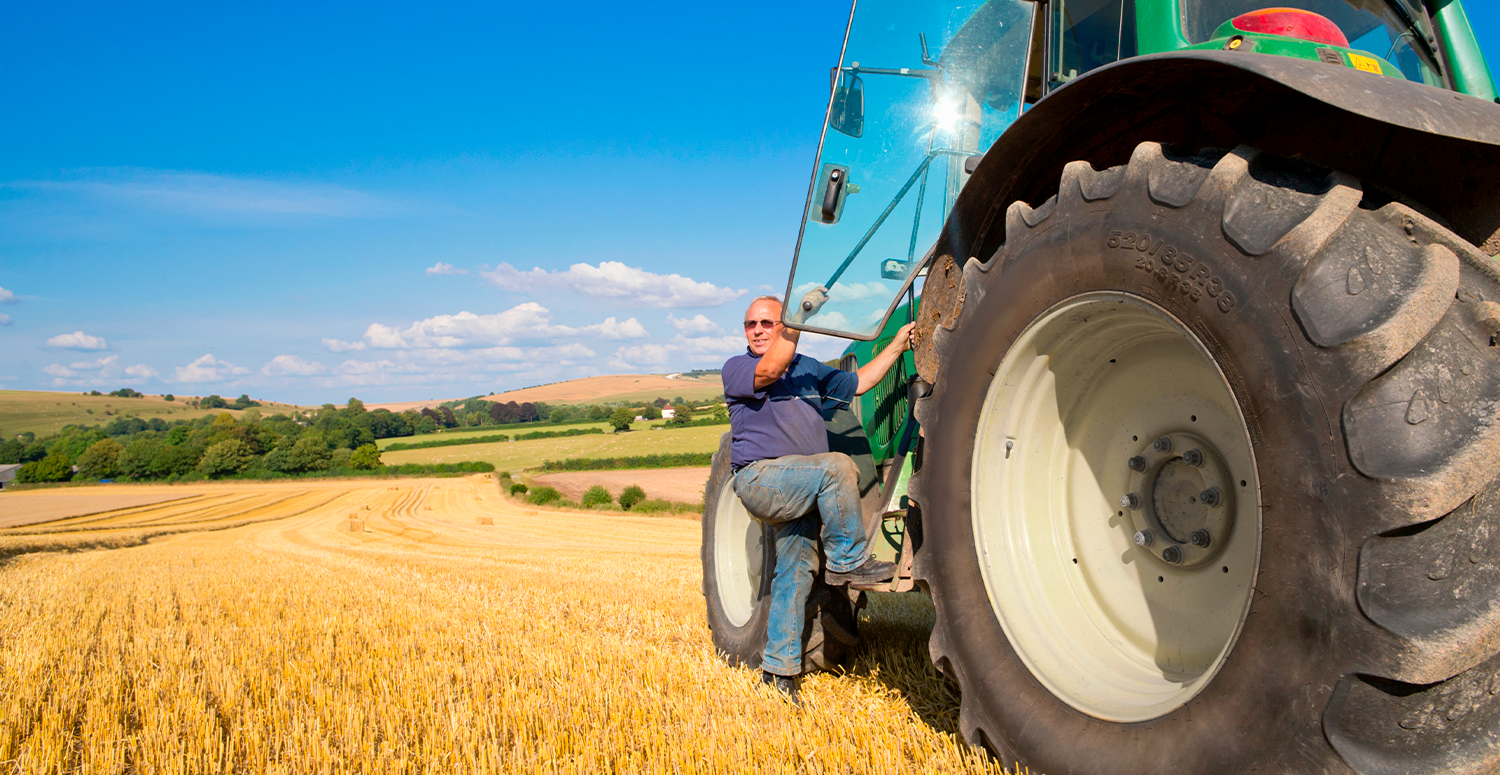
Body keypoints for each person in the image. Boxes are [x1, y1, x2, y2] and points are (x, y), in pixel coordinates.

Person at [722, 288, 916, 705]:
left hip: (801, 486)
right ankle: (850, 561)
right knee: (838, 465)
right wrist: (801, 314)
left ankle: (779, 672)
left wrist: (898, 347)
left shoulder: (809, 370)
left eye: (766, 323)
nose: (757, 330)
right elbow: (772, 368)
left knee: (794, 572)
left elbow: (860, 381)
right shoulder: (739, 367)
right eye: (751, 324)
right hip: (762, 479)